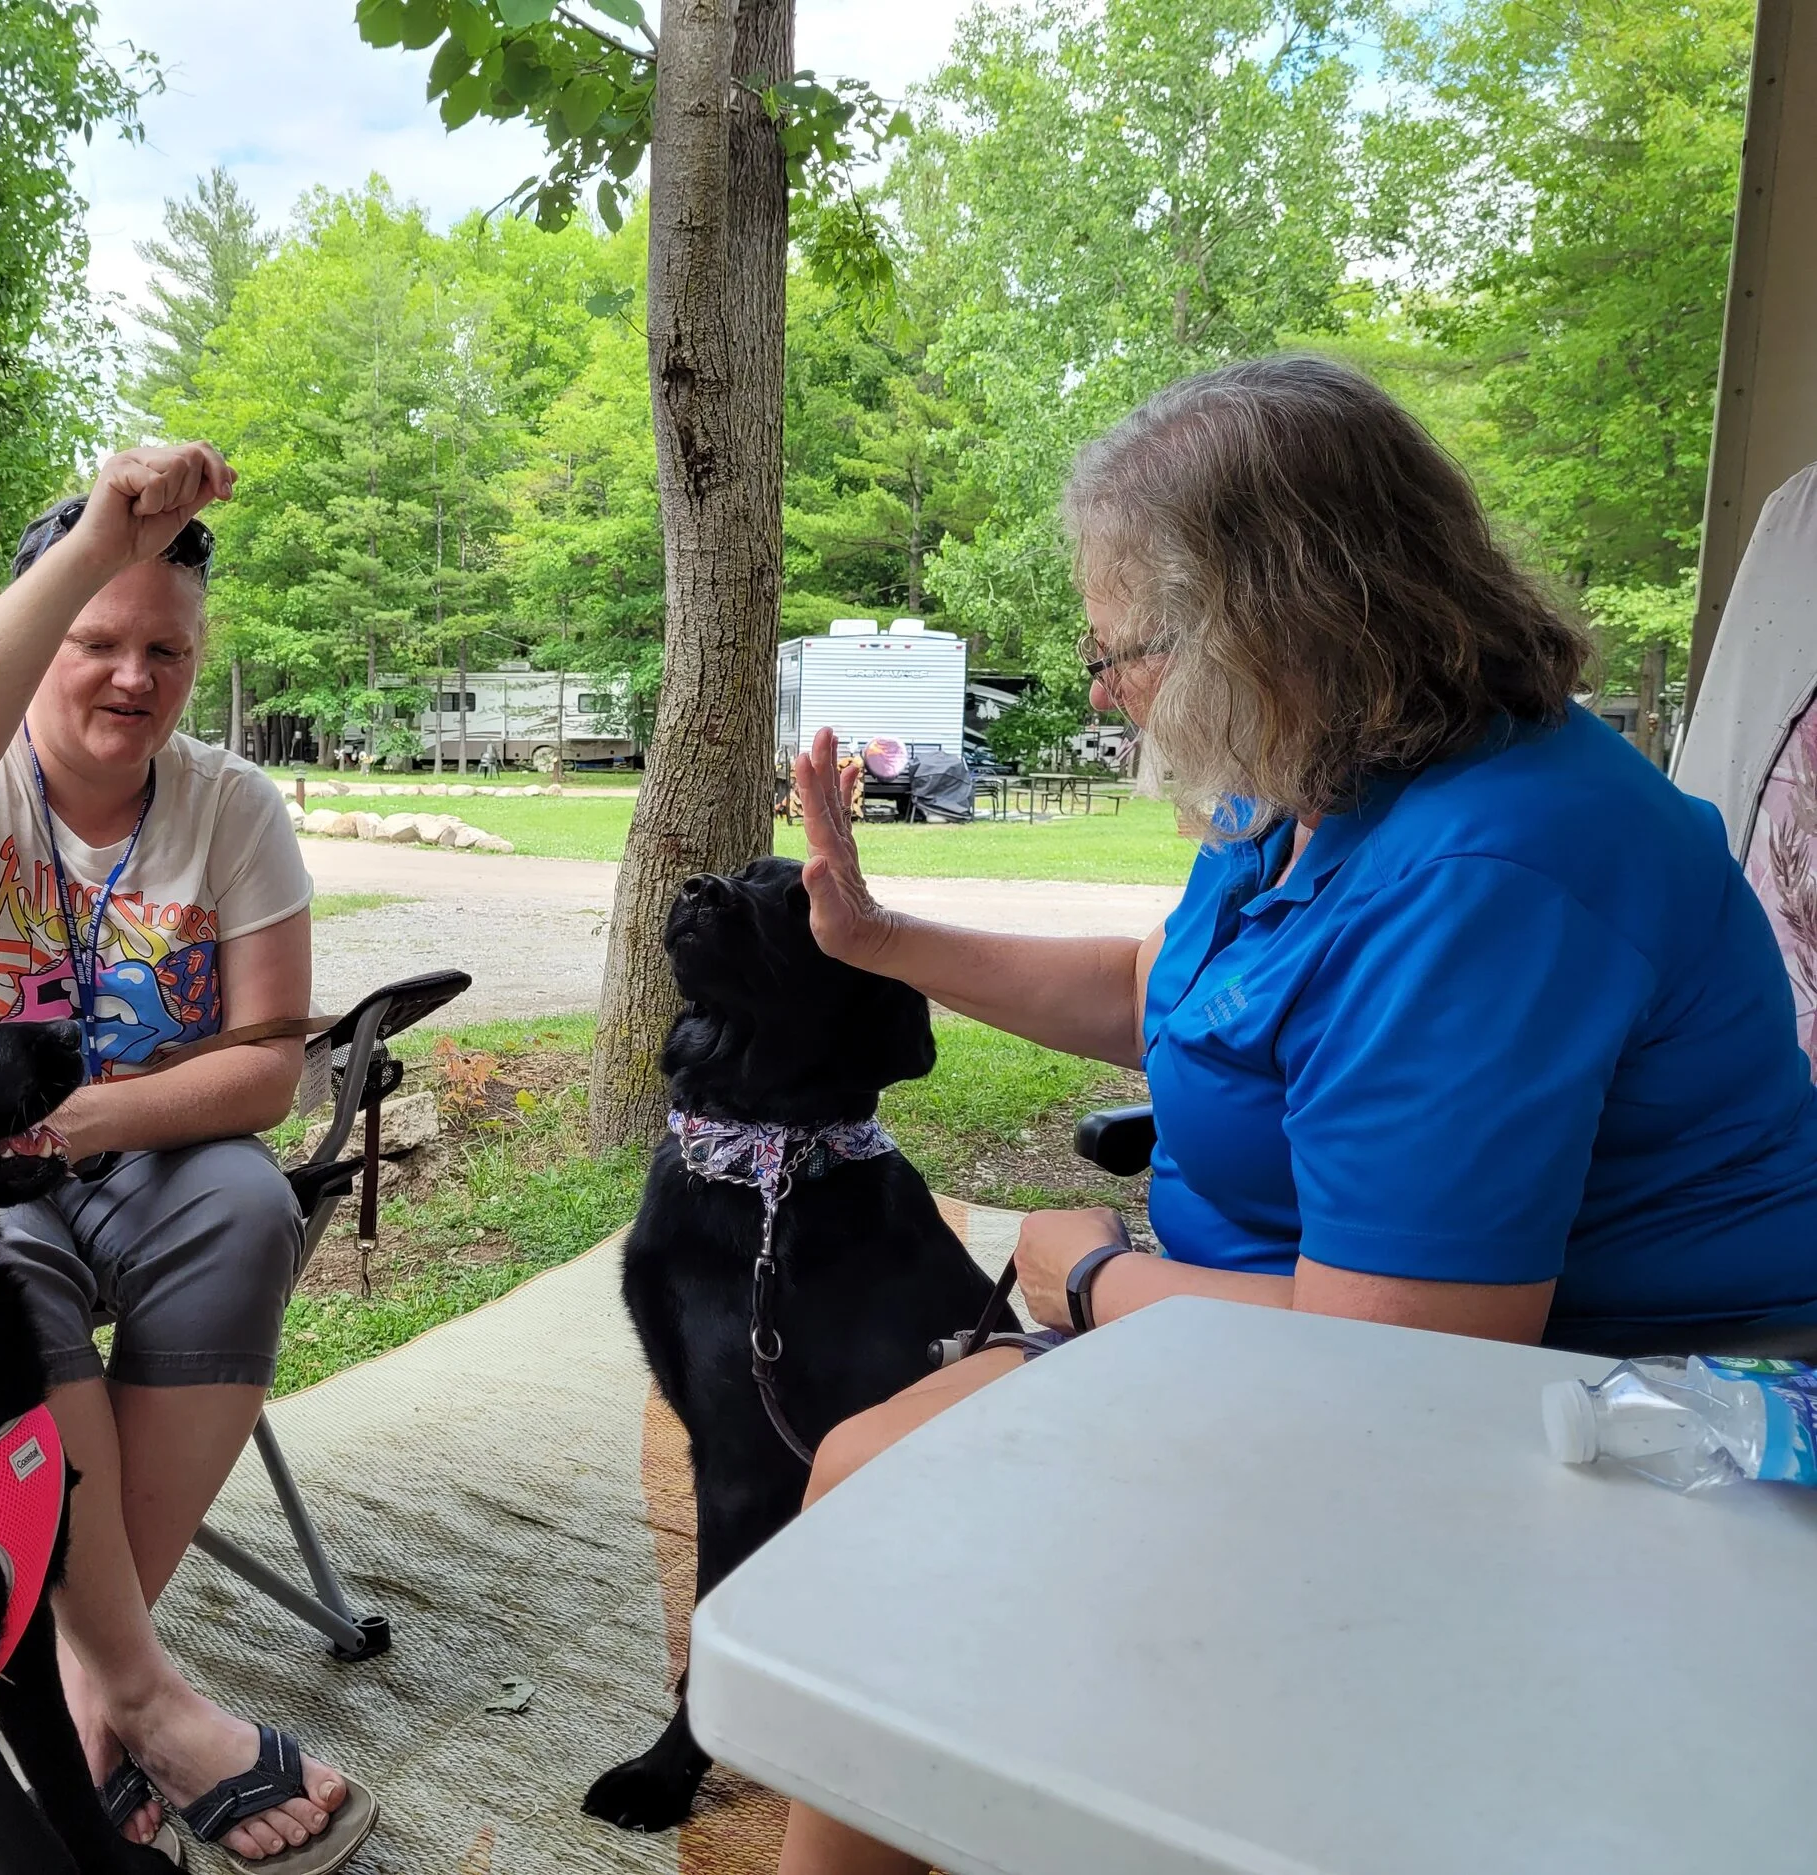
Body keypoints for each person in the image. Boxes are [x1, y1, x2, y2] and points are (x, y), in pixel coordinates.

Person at [776, 356, 1817, 1875]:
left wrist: (1090, 1273)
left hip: (1620, 1428)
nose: (1105, 690)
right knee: (871, 1489)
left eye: (1118, 649)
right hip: (1321, 1338)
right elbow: (1169, 989)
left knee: (891, 1506)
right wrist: (878, 939)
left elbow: (1392, 1364)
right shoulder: (1320, 773)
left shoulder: (1495, 871)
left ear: (1272, 625)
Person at [0, 443, 372, 1871]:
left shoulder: (230, 808)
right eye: (95, 641)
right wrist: (96, 538)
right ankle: (140, 1688)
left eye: (165, 652)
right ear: (34, 633)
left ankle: (83, 1680)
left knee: (244, 1207)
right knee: (5, 1268)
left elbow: (268, 1061)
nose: (132, 677)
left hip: (118, 1152)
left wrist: (84, 1122)